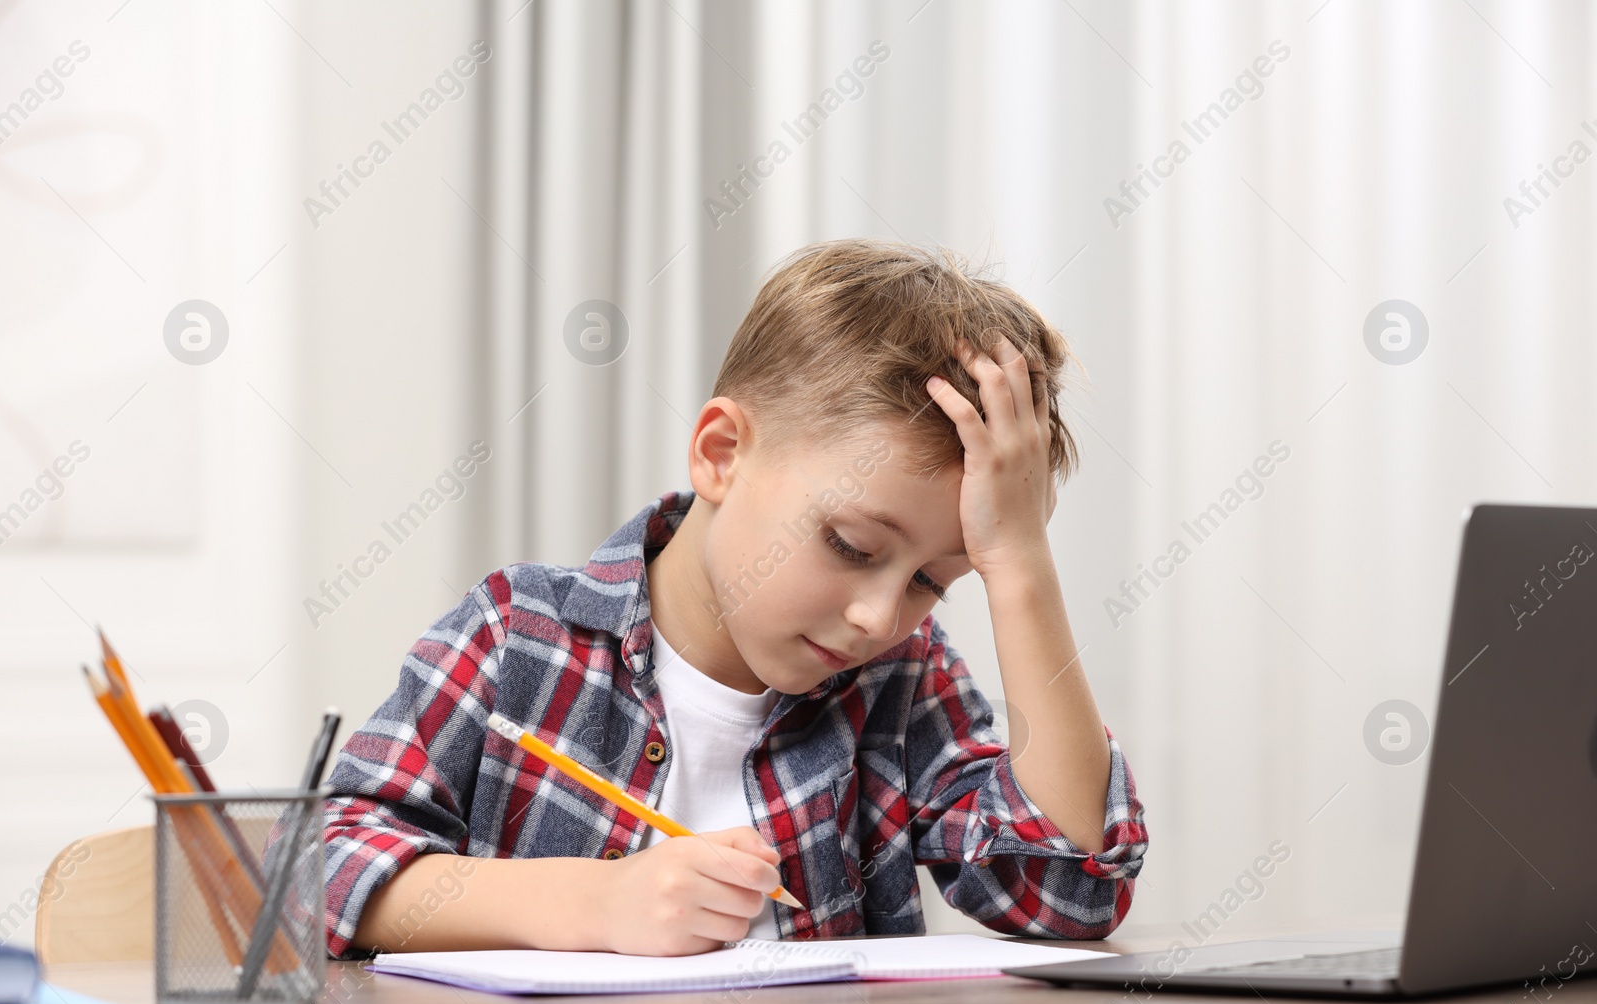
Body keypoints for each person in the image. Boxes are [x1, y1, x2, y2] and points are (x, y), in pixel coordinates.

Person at [321, 238, 1147, 959]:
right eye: (851, 546)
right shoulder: (519, 638)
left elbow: (1068, 893)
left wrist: (1019, 566)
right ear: (721, 453)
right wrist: (597, 904)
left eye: (934, 581)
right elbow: (319, 869)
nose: (878, 617)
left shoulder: (901, 680)